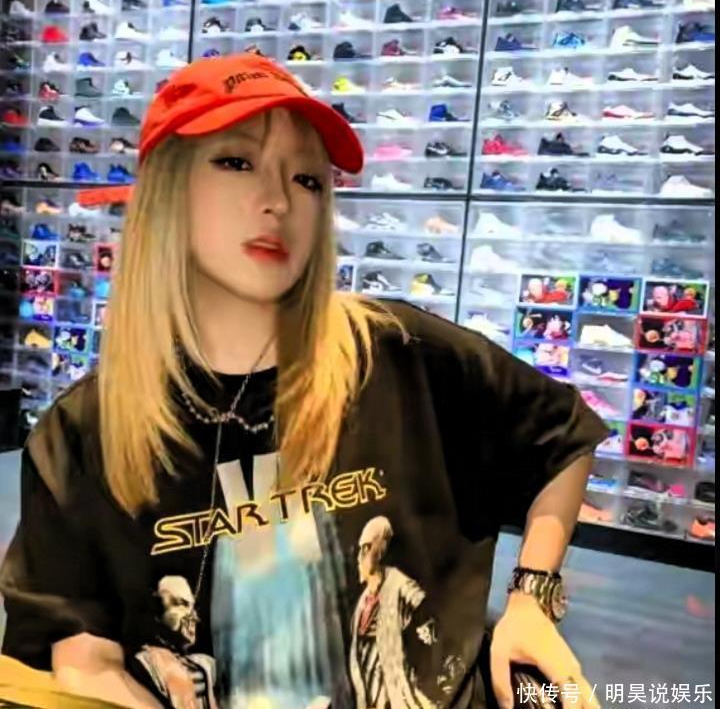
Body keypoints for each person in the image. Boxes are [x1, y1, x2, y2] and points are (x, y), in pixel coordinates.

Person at [0, 53, 608, 709]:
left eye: (308, 179)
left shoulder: (397, 352)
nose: (280, 200)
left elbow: (563, 432)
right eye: (237, 161)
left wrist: (531, 599)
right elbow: (84, 660)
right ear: (166, 192)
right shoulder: (84, 431)